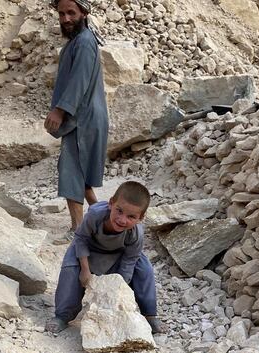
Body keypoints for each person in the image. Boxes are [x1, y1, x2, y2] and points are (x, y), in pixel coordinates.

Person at [47, 181, 163, 334]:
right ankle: (62, 316)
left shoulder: (136, 234)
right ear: (110, 203)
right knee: (70, 271)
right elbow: (80, 239)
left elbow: (129, 260)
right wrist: (85, 270)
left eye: (131, 217)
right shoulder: (95, 214)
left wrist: (119, 287)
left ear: (141, 218)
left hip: (117, 256)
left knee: (144, 267)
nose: (122, 220)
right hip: (87, 252)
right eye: (119, 211)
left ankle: (149, 315)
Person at [45, 0, 108, 241]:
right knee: (78, 171)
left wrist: (60, 111)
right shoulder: (78, 41)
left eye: (71, 13)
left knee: (71, 170)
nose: (65, 19)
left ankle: (78, 230)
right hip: (84, 116)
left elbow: (79, 82)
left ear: (84, 12)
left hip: (82, 118)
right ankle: (103, 215)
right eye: (61, 13)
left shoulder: (83, 42)